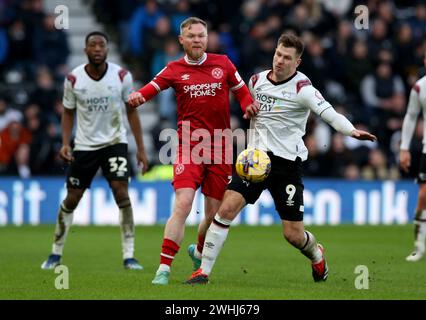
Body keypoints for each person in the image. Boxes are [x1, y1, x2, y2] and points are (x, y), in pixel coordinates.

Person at [185, 33, 377, 284]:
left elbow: (328, 113)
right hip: (254, 160)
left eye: (287, 58)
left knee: (293, 235)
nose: (280, 61)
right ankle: (203, 272)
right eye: (278, 54)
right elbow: (244, 104)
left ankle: (317, 254)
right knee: (226, 210)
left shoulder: (303, 89)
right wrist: (246, 110)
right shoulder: (256, 80)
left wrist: (351, 131)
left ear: (297, 62)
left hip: (286, 165)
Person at [128, 17, 258, 285]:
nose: (197, 40)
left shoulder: (223, 64)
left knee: (212, 215)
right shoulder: (174, 69)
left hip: (221, 147)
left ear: (207, 38)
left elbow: (242, 92)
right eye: (192, 36)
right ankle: (163, 268)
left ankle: (199, 251)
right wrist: (138, 96)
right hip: (189, 146)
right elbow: (151, 88)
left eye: (201, 35)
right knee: (184, 204)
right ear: (181, 40)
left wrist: (247, 105)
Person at [41, 31, 149, 270]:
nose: (98, 48)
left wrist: (140, 148)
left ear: (107, 50)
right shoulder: (73, 79)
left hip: (114, 142)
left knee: (121, 193)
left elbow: (131, 110)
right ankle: (55, 252)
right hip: (85, 145)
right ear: (86, 50)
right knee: (72, 198)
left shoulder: (122, 76)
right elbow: (68, 112)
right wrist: (66, 142)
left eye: (102, 44)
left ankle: (129, 256)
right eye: (93, 45)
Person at [399, 50, 426, 262]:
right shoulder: (419, 87)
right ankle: (419, 246)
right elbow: (410, 116)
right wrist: (404, 148)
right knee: (424, 195)